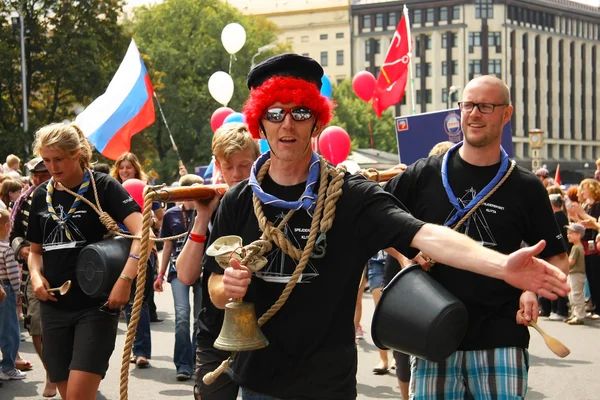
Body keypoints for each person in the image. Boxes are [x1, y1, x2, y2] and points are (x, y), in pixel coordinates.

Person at [202, 55, 569, 399]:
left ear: (317, 119)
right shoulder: (238, 201)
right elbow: (213, 286)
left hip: (329, 385)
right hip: (257, 384)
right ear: (259, 121)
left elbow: (426, 234)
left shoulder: (350, 196)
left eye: (299, 112)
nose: (287, 123)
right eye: (275, 112)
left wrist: (503, 266)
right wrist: (228, 286)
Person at [384, 75, 569, 399]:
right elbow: (376, 219)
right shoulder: (424, 173)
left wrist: (531, 291)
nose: (474, 114)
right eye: (468, 105)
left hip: (501, 335)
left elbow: (557, 258)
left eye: (485, 106)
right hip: (432, 332)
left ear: (506, 114)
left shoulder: (525, 186)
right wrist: (405, 257)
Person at [27, 122, 143, 400]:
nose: (52, 167)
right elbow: (34, 252)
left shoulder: (103, 186)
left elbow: (144, 233)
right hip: (53, 308)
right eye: (46, 160)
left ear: (77, 153)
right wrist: (35, 277)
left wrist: (125, 280)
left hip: (95, 307)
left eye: (59, 159)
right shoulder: (41, 195)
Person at [176, 122, 260, 400]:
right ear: (217, 165)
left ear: (257, 161)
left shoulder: (267, 203)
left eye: (244, 166)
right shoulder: (211, 205)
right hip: (215, 330)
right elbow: (186, 276)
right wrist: (202, 217)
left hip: (263, 331)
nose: (235, 174)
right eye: (228, 166)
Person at [9, 157, 55, 396]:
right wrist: (21, 248)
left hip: (67, 271)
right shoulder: (25, 199)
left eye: (43, 174)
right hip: (32, 271)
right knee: (35, 325)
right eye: (35, 175)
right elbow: (13, 233)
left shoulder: (70, 195)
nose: (38, 179)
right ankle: (51, 372)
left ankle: (68, 371)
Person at [155, 173, 205, 381]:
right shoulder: (171, 214)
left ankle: (196, 361)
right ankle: (183, 364)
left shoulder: (207, 212)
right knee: (182, 316)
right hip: (177, 271)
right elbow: (167, 245)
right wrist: (160, 274)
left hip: (204, 270)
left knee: (200, 319)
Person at [0, 209, 26, 381]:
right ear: (8, 226)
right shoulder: (7, 250)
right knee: (10, 329)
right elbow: (12, 274)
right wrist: (18, 291)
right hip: (6, 289)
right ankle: (8, 366)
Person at [564, 223, 586, 325]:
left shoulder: (576, 248)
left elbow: (571, 262)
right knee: (572, 295)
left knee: (576, 295)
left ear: (578, 235)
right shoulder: (576, 247)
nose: (568, 235)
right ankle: (574, 314)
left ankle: (579, 316)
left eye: (571, 233)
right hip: (573, 274)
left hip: (576, 274)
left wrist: (564, 262)